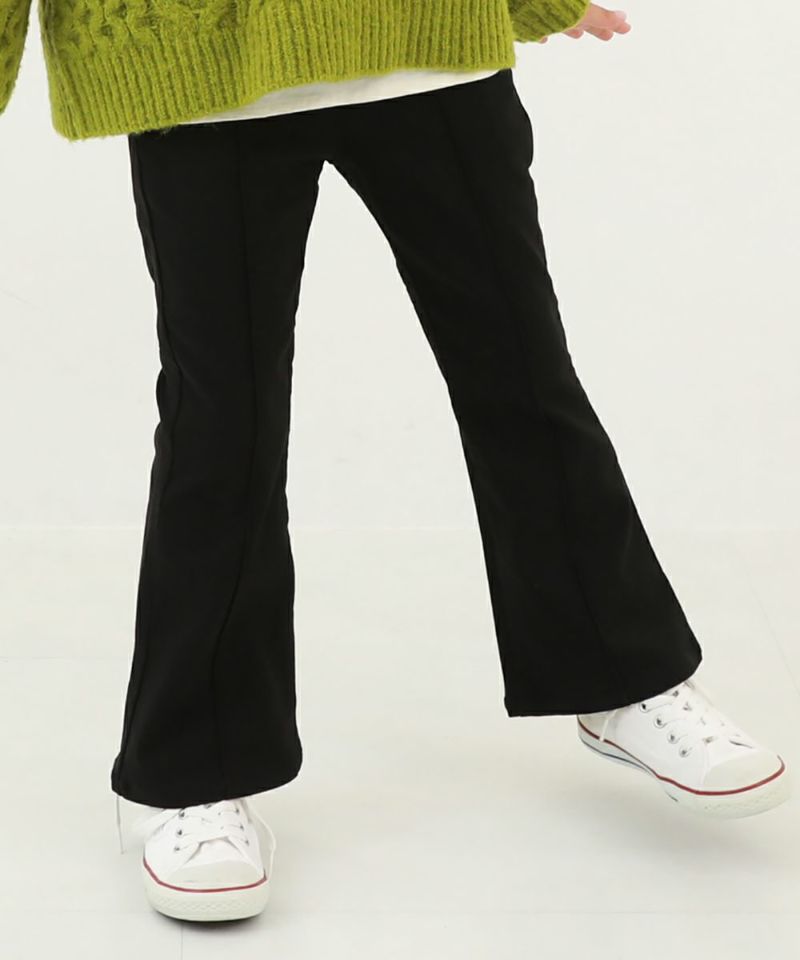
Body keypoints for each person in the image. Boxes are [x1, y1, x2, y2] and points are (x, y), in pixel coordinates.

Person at [1, 0, 791, 926]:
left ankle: (623, 679)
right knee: (222, 432)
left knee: (523, 377)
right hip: (204, 71)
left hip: (427, 39)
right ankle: (189, 776)